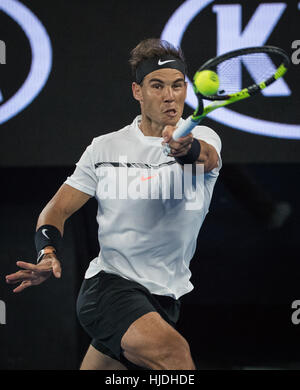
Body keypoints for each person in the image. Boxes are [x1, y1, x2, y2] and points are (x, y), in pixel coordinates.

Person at [5, 38, 222, 370]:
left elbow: (203, 158)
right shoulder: (104, 148)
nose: (169, 96)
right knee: (175, 359)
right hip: (109, 288)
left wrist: (185, 149)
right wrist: (47, 252)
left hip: (164, 297)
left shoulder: (202, 138)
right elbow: (57, 209)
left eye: (177, 86)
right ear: (138, 92)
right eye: (157, 85)